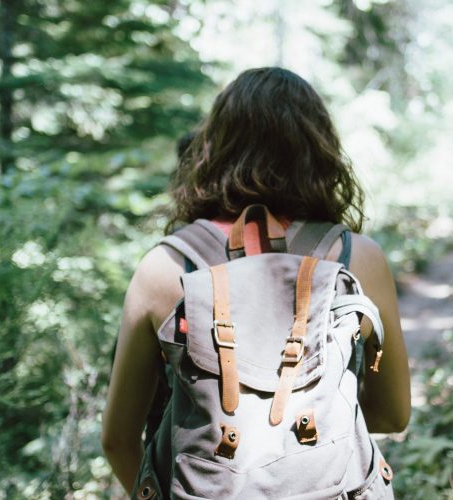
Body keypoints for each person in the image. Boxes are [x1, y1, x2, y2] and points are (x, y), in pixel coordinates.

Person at [101, 67, 411, 495]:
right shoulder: (358, 258)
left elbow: (117, 439)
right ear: (319, 151)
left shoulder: (166, 267)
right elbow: (393, 415)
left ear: (215, 148)